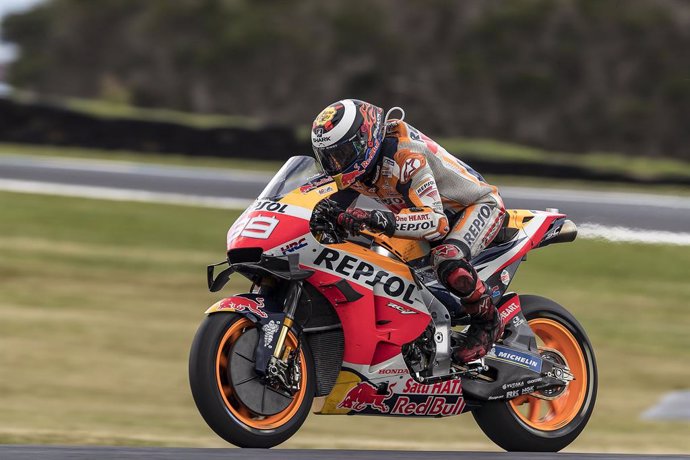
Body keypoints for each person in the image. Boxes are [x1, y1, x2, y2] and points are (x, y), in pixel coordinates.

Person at [311, 99, 506, 363]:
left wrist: (375, 218)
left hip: (473, 206)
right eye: (328, 158)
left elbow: (437, 223)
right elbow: (319, 206)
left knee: (447, 259)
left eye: (342, 154)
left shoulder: (405, 156)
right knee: (374, 256)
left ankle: (489, 322)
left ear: (364, 140)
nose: (335, 164)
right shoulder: (353, 169)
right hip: (422, 215)